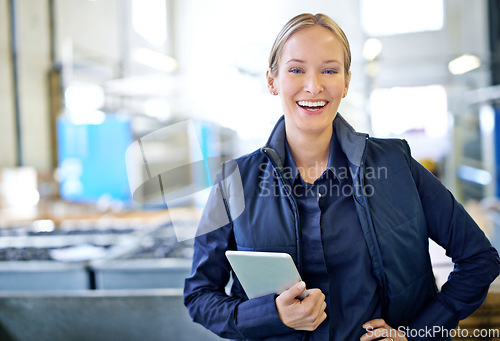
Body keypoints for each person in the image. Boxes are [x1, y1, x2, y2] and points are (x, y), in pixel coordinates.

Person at [184, 13, 500, 341]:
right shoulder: (232, 182)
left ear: (346, 82)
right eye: (296, 69)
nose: (314, 85)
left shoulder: (396, 166)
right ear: (272, 80)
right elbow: (200, 296)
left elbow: (479, 259)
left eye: (329, 70)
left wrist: (416, 334)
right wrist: (272, 315)